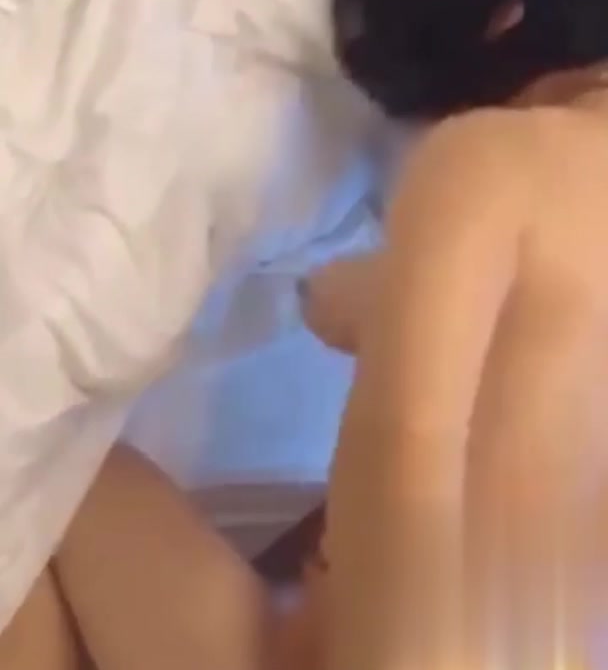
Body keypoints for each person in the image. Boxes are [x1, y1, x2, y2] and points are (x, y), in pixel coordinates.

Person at [5, 54, 608, 670]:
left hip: (378, 638)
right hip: (381, 624)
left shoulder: (502, 160)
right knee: (54, 486)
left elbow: (408, 436)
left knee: (46, 469)